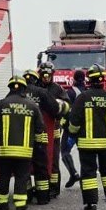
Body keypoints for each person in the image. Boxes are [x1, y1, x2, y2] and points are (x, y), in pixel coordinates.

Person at [67, 64, 106, 210]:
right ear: (103, 79)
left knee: (88, 173)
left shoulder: (83, 98)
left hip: (87, 144)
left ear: (88, 80)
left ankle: (91, 205)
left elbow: (74, 120)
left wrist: (72, 136)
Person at [0, 76, 47, 210]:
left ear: (10, 88)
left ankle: (2, 204)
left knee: (4, 176)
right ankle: (20, 206)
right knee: (21, 177)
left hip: (4, 151)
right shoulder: (32, 106)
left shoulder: (0, 104)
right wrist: (39, 146)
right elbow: (40, 129)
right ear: (24, 88)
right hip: (24, 151)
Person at [21, 69, 61, 204]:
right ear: (35, 79)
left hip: (22, 138)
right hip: (39, 137)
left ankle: (26, 195)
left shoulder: (16, 94)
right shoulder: (42, 92)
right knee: (40, 166)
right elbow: (55, 109)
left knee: (24, 167)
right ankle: (43, 197)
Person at [37, 62, 71, 197]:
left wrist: (59, 122)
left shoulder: (58, 89)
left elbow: (68, 107)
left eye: (48, 75)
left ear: (52, 75)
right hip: (39, 129)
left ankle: (54, 188)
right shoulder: (36, 88)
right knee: (40, 160)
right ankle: (41, 187)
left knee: (54, 160)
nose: (46, 77)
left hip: (54, 130)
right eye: (43, 75)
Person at [61, 69, 87, 188]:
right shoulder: (88, 92)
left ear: (74, 79)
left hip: (70, 129)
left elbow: (66, 111)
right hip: (85, 129)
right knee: (85, 154)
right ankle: (86, 179)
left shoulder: (70, 92)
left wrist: (62, 124)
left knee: (65, 151)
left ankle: (74, 174)